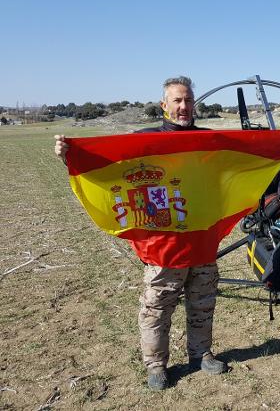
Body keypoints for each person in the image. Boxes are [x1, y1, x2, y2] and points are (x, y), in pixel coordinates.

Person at [54, 76, 228, 390]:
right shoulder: (144, 141)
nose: (183, 106)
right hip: (163, 246)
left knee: (202, 303)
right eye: (177, 100)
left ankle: (201, 354)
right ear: (164, 105)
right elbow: (106, 163)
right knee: (156, 308)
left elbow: (244, 160)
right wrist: (70, 154)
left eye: (188, 100)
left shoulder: (209, 141)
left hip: (201, 241)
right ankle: (157, 366)